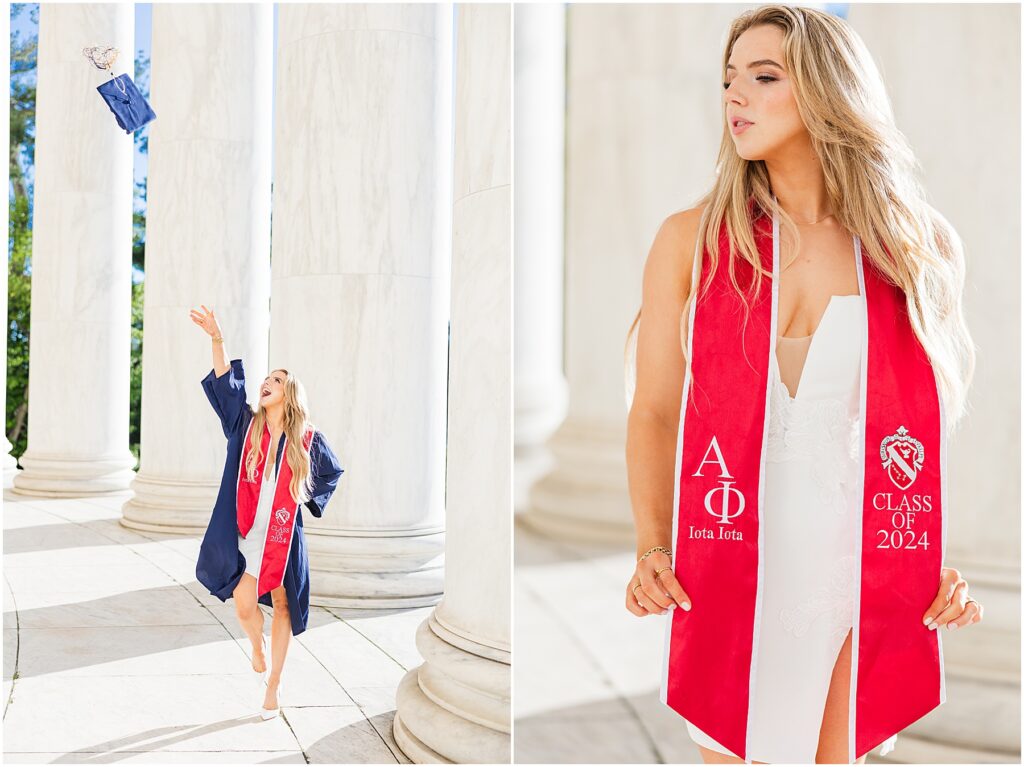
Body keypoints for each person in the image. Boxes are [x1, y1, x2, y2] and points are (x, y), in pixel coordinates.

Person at [623, 6, 982, 764]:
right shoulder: (693, 241)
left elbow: (924, 426)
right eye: (728, 80)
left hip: (859, 561)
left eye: (763, 76)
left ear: (826, 90)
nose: (735, 97)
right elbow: (655, 410)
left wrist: (930, 559)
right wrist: (652, 541)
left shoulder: (912, 248)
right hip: (734, 557)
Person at [190, 304, 344, 719]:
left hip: (281, 534)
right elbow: (226, 385)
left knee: (283, 604)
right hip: (245, 532)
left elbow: (331, 473)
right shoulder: (245, 425)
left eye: (276, 380)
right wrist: (217, 339)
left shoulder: (308, 439)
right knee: (243, 605)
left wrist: (306, 494)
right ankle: (255, 647)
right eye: (266, 379)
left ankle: (273, 683)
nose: (266, 383)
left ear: (289, 393)